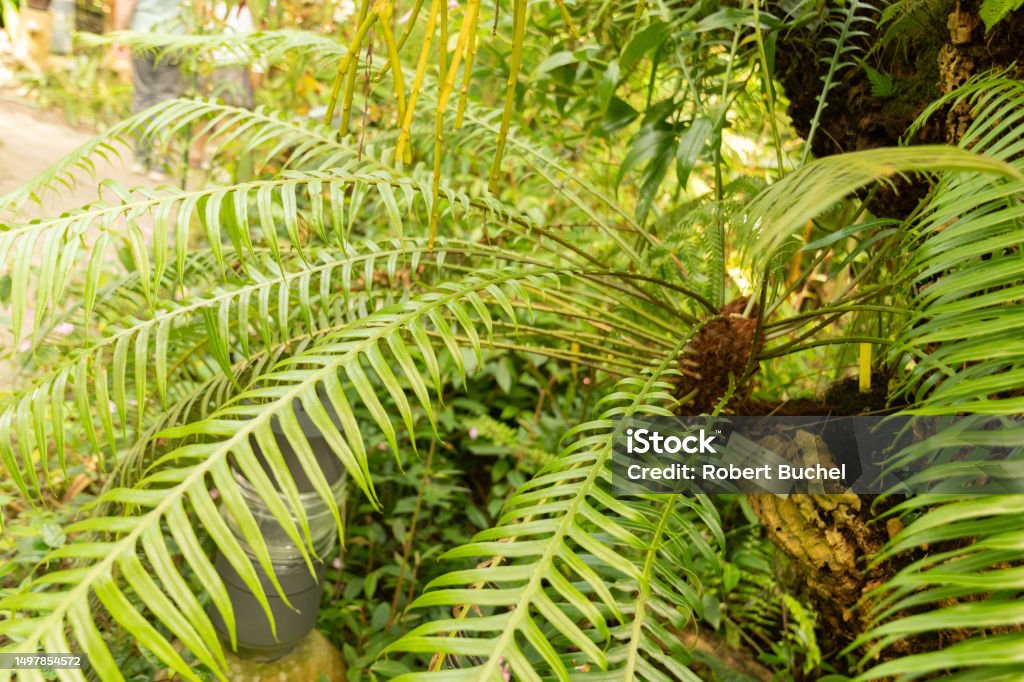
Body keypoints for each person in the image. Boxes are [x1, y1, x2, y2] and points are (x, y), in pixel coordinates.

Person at [110, 0, 184, 179]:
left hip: (143, 34)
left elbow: (126, 4)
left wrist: (120, 34)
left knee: (143, 95)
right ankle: (160, 163)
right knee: (166, 98)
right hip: (174, 37)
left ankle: (141, 158)